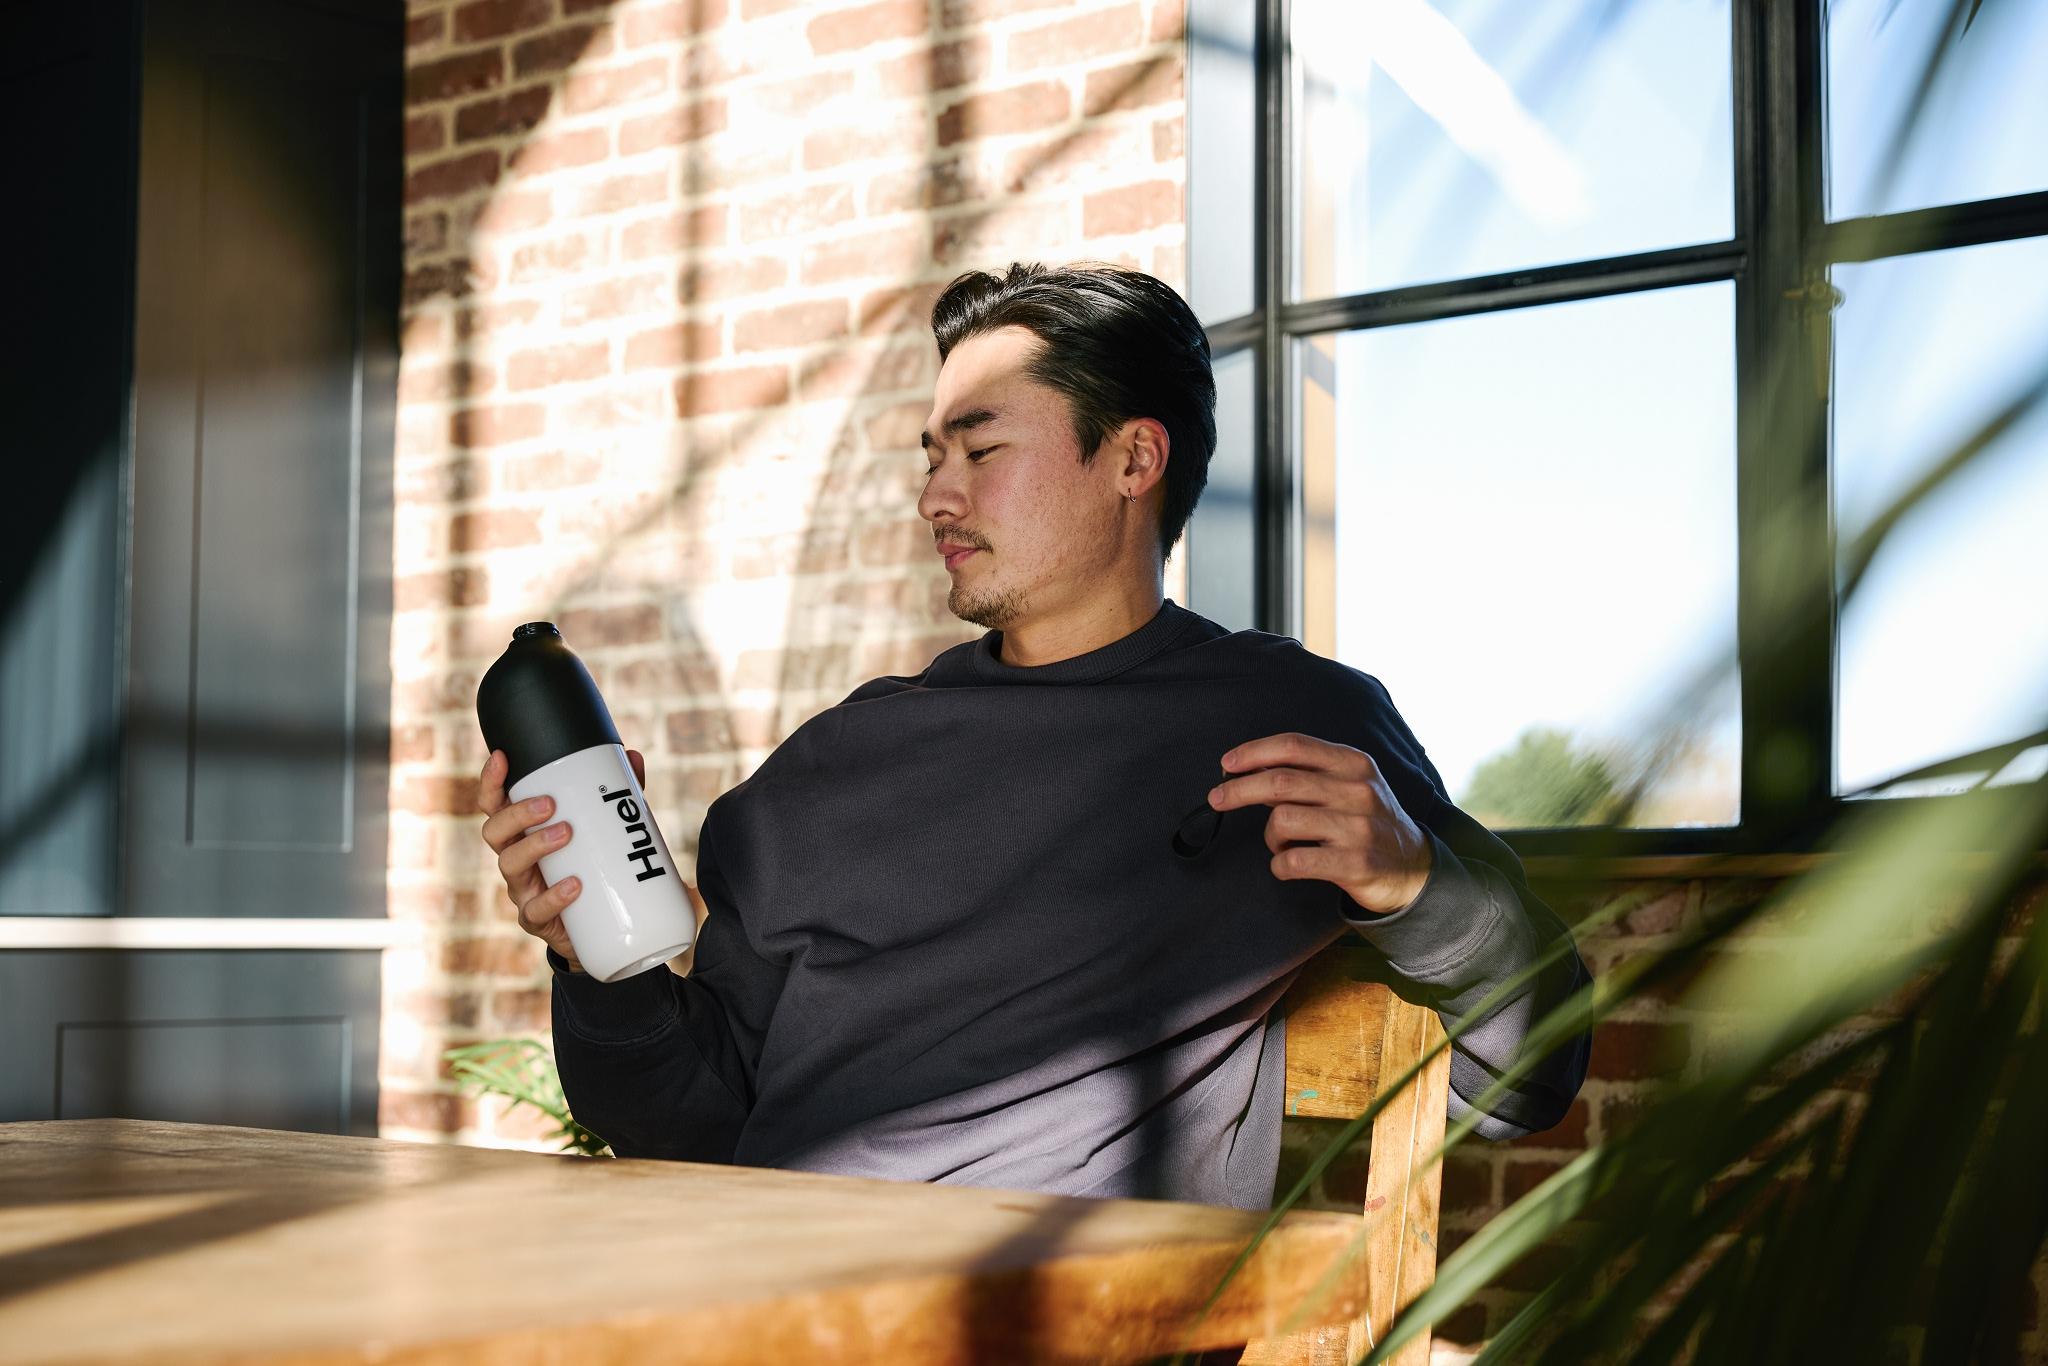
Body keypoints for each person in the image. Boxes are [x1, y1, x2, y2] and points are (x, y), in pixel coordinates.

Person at [476, 262, 1592, 1211]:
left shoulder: (1287, 724)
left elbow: (1529, 1079)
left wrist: (1411, 887)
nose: (933, 499)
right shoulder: (830, 767)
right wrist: (595, 965)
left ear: (1131, 460)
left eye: (979, 449)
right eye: (929, 457)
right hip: (770, 1294)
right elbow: (687, 1125)